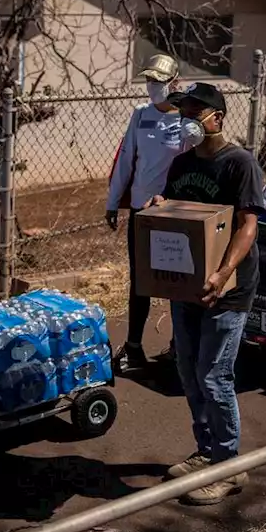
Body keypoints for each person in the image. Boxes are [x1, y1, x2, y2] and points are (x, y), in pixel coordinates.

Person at [145, 82, 265, 506]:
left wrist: (223, 272)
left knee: (215, 376)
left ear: (217, 117)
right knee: (189, 371)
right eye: (183, 113)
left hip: (227, 290)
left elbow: (248, 224)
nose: (187, 120)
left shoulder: (240, 164)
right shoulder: (180, 164)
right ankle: (206, 450)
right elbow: (179, 215)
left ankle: (228, 466)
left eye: (195, 112)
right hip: (188, 287)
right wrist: (162, 204)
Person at [106, 54, 196, 373]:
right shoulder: (140, 115)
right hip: (141, 210)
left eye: (158, 82)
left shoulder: (187, 122)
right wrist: (112, 201)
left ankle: (178, 346)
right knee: (139, 281)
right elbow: (126, 158)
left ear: (173, 83)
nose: (152, 87)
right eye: (149, 80)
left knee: (176, 281)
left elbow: (193, 163)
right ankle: (133, 348)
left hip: (171, 212)